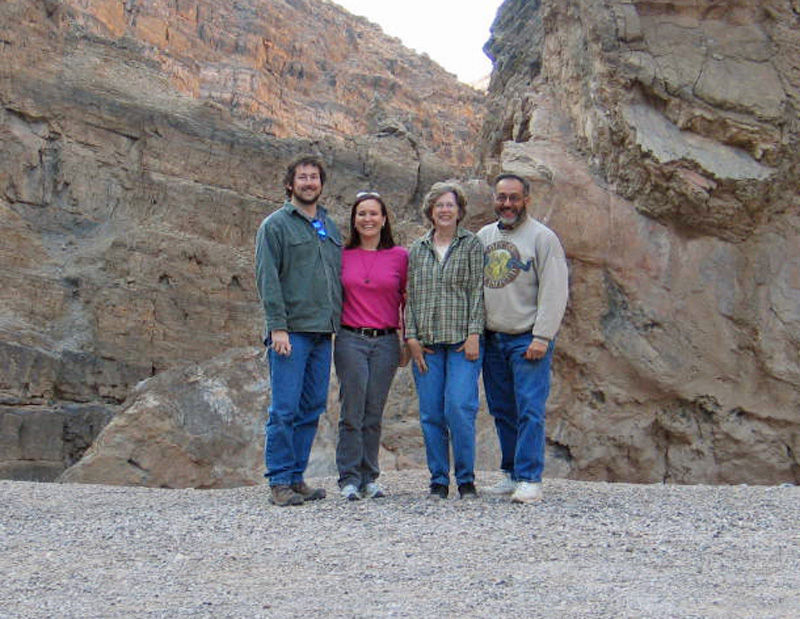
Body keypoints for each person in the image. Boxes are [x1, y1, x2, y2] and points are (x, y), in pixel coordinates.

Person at [254, 155, 342, 506]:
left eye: (314, 177)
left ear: (321, 184)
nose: (309, 183)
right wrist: (278, 328)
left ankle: (296, 477)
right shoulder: (275, 225)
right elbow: (267, 279)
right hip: (291, 333)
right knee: (285, 408)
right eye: (302, 177)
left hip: (324, 333)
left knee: (311, 407)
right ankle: (278, 481)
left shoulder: (328, 226)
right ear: (290, 184)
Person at [478, 172, 569, 503]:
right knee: (502, 409)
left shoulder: (543, 238)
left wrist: (542, 336)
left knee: (529, 408)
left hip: (527, 337)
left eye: (514, 197)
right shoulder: (484, 237)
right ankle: (511, 473)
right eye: (501, 197)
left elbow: (555, 289)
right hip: (493, 338)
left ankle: (531, 478)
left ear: (526, 200)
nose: (507, 204)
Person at [405, 181, 484, 500]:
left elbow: (478, 290)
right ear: (430, 211)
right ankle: (439, 480)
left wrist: (475, 333)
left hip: (462, 343)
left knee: (459, 408)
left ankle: (465, 479)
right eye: (439, 205)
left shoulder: (472, 245)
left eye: (450, 204)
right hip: (427, 345)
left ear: (460, 210)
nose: (445, 210)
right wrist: (410, 335)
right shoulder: (417, 249)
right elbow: (409, 295)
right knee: (431, 414)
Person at [334, 191, 409, 501]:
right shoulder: (341, 254)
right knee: (352, 410)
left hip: (386, 342)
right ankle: (349, 478)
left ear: (384, 218)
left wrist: (408, 339)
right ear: (354, 219)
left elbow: (408, 299)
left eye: (373, 213)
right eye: (362, 213)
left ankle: (369, 478)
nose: (368, 219)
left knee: (373, 412)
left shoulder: (400, 256)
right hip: (351, 338)